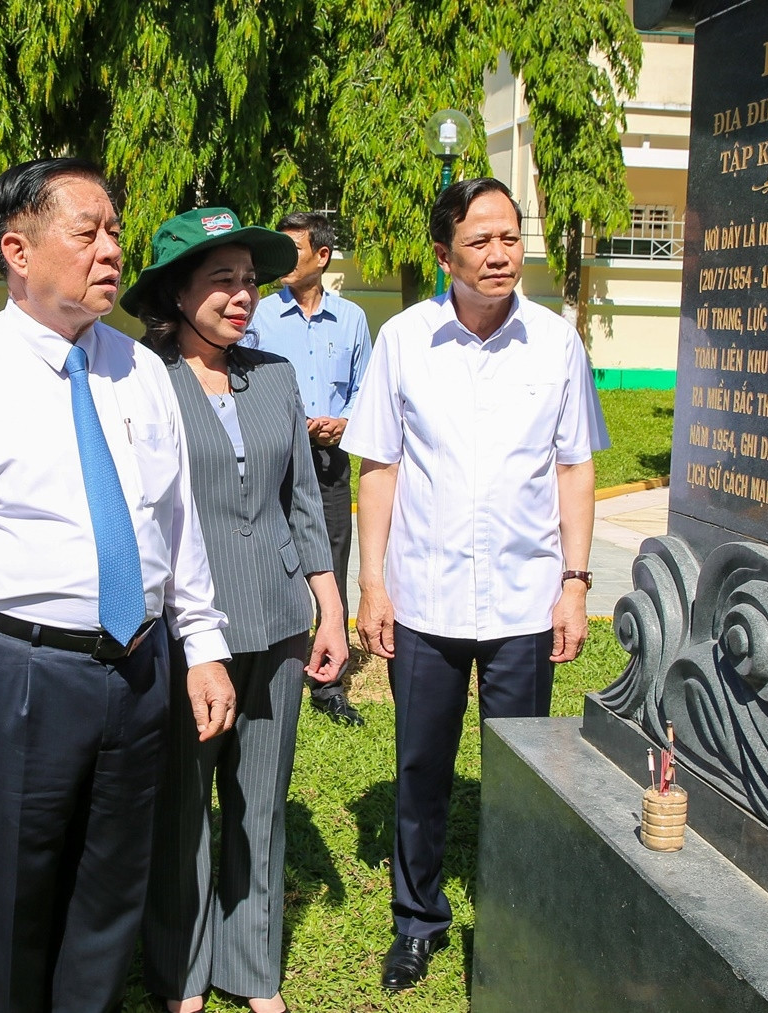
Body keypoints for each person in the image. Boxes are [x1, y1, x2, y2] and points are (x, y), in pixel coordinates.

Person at [0, 158, 238, 1013]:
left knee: (109, 899)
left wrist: (203, 645)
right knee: (9, 906)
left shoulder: (141, 372)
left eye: (114, 230)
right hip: (19, 674)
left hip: (137, 668)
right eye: (88, 231)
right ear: (18, 247)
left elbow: (174, 527)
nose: (111, 249)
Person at [341, 177, 607, 992]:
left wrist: (574, 583)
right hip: (425, 599)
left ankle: (518, 914)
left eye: (510, 236)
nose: (500, 254)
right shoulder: (403, 342)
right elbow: (379, 468)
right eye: (480, 241)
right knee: (421, 769)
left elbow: (575, 467)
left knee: (522, 773)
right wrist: (372, 585)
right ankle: (416, 922)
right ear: (443, 254)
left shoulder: (557, 343)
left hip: (527, 600)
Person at [122, 209, 349, 1013]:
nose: (241, 295)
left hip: (281, 620)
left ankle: (251, 968)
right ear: (175, 293)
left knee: (261, 800)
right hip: (192, 632)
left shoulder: (275, 375)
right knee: (184, 807)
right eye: (221, 280)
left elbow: (302, 505)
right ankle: (181, 971)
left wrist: (329, 610)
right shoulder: (143, 382)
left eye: (250, 280)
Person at [244, 211, 372, 727]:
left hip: (329, 460)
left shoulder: (353, 319)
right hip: (273, 456)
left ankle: (328, 680)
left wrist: (345, 423)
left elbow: (367, 388)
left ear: (321, 256)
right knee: (270, 557)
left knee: (330, 561)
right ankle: (267, 665)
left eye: (292, 249)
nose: (281, 261)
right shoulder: (259, 314)